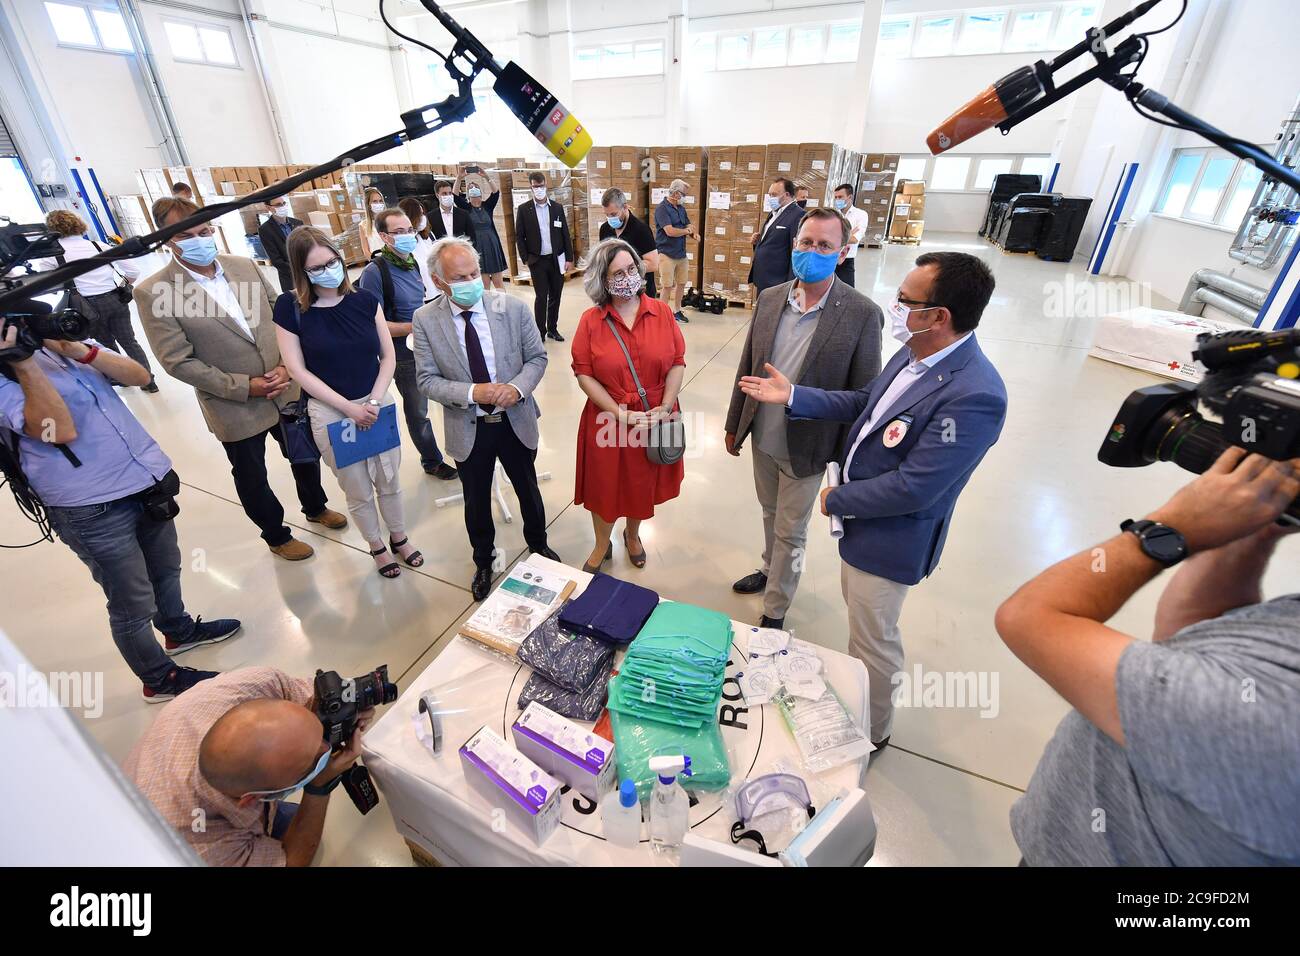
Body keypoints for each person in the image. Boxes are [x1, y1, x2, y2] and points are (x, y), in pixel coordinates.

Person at [739, 251, 1007, 747]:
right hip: (861, 523)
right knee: (861, 626)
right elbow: (867, 404)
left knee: (874, 639)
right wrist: (795, 395)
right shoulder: (916, 354)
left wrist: (839, 498)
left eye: (906, 300)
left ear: (939, 317)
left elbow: (917, 486)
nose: (896, 306)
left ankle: (873, 731)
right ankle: (861, 704)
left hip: (890, 537)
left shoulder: (975, 395)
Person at [996, 449, 1300, 866]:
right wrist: (1251, 530)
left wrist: (1171, 527)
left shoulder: (1274, 716)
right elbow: (1190, 638)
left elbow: (1029, 618)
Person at [0, 322, 240, 702]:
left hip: (144, 480)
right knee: (132, 602)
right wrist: (23, 362)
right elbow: (57, 430)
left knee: (166, 568)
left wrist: (78, 350)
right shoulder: (6, 377)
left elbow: (140, 375)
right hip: (89, 505)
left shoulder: (60, 346)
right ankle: (159, 679)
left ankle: (177, 628)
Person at [138, 196, 348, 562]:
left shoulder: (243, 266)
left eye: (204, 231)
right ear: (167, 239)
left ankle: (315, 506)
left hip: (284, 388)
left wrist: (287, 366)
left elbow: (284, 318)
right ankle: (276, 534)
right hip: (232, 402)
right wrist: (243, 386)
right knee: (252, 474)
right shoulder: (156, 290)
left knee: (304, 455)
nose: (200, 240)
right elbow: (177, 360)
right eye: (187, 234)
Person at [725, 208, 883, 629]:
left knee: (791, 531)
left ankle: (775, 608)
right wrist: (734, 422)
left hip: (809, 445)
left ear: (843, 252)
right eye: (807, 242)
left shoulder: (862, 314)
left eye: (825, 246)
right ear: (795, 243)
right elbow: (749, 362)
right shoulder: (772, 297)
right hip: (763, 434)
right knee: (768, 513)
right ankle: (768, 568)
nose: (813, 251)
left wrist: (849, 462)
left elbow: (865, 396)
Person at [413, 237, 560, 600]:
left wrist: (518, 389)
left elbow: (537, 358)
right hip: (469, 427)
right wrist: (470, 393)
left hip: (515, 420)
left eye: (474, 273)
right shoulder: (426, 320)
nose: (471, 282)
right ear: (438, 282)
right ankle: (483, 560)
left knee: (528, 488)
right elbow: (426, 379)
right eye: (459, 277)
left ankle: (539, 546)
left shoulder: (511, 308)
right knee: (475, 500)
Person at [274, 226, 423, 579]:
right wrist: (348, 407)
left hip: (375, 400)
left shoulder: (363, 301)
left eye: (332, 261)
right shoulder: (290, 308)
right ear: (301, 272)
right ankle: (376, 546)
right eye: (317, 267)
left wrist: (371, 400)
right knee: (356, 486)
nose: (329, 270)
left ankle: (399, 537)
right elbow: (297, 370)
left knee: (389, 478)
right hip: (331, 411)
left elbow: (387, 356)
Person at [123, 666, 377, 867]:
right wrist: (319, 786)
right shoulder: (200, 843)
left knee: (291, 819)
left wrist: (338, 712)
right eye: (314, 761)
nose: (329, 748)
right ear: (252, 798)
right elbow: (291, 862)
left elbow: (310, 695)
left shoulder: (256, 684)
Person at [571, 238, 685, 575]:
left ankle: (633, 536)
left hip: (654, 415)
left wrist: (665, 407)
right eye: (617, 273)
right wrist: (619, 413)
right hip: (610, 417)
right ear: (602, 281)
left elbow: (677, 362)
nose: (627, 277)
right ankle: (601, 543)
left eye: (631, 268)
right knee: (604, 486)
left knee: (641, 482)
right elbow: (584, 374)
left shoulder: (662, 312)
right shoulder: (591, 322)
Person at [356, 207, 458, 481]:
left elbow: (419, 303)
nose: (407, 236)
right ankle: (432, 460)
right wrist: (415, 326)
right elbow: (371, 324)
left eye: (409, 230)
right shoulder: (375, 272)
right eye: (398, 232)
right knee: (418, 411)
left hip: (428, 344)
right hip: (402, 355)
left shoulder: (411, 262)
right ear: (384, 237)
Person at [32, 210, 157, 392]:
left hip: (85, 306)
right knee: (130, 340)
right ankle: (148, 381)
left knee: (106, 343)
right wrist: (121, 284)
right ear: (78, 224)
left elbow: (47, 284)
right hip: (115, 300)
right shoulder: (98, 245)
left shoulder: (53, 255)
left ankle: (120, 377)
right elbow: (132, 271)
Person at [514, 170, 574, 342]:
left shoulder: (556, 208)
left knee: (556, 295)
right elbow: (519, 236)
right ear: (531, 187)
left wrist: (569, 258)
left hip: (556, 260)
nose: (539, 189)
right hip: (537, 260)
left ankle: (552, 329)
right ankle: (540, 331)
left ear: (546, 186)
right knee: (541, 297)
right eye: (535, 186)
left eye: (541, 186)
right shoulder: (524, 209)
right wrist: (526, 258)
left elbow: (565, 233)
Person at [453, 166, 508, 290]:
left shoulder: (487, 206)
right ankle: (487, 307)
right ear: (468, 194)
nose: (474, 190)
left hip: (491, 245)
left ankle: (502, 305)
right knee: (484, 284)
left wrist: (486, 176)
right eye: (471, 189)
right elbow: (455, 196)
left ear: (480, 191)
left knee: (498, 282)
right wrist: (459, 178)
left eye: (476, 188)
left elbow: (496, 193)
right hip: (477, 247)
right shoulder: (466, 208)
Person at [599, 187, 658, 299]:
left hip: (640, 292)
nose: (610, 218)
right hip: (615, 293)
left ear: (625, 207)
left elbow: (653, 264)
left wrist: (625, 268)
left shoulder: (641, 230)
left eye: (613, 214)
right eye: (606, 215)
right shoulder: (604, 229)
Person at [653, 178, 698, 323]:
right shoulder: (662, 209)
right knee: (667, 285)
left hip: (681, 253)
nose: (684, 197)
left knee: (682, 283)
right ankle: (661, 315)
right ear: (676, 193)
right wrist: (686, 231)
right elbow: (670, 231)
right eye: (683, 194)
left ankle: (677, 311)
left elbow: (688, 224)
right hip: (666, 253)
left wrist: (693, 233)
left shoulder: (681, 209)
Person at [749, 178, 801, 295]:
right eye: (769, 195)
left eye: (774, 195)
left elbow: (796, 251)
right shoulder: (774, 213)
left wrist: (791, 285)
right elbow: (771, 242)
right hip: (764, 278)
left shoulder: (797, 215)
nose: (771, 198)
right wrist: (757, 243)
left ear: (787, 194)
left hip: (778, 282)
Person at [257, 195, 303, 294]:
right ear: (268, 207)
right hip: (290, 278)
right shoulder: (265, 230)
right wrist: (298, 270)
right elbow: (276, 260)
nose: (282, 207)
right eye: (278, 205)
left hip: (308, 273)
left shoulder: (298, 223)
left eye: (283, 204)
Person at [397, 197, 439, 302]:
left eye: (423, 213)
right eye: (419, 215)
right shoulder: (405, 242)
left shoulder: (428, 235)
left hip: (438, 290)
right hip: (421, 295)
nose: (423, 218)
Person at [832, 183, 869, 287]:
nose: (837, 200)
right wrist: (847, 235)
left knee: (846, 294)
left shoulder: (860, 215)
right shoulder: (832, 214)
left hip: (846, 261)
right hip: (829, 258)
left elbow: (854, 239)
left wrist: (833, 238)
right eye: (836, 197)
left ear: (850, 197)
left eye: (840, 197)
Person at [359, 186, 386, 259]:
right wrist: (375, 263)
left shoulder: (388, 220)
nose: (378, 203)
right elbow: (366, 250)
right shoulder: (363, 225)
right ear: (368, 204)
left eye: (380, 201)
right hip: (376, 261)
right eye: (374, 201)